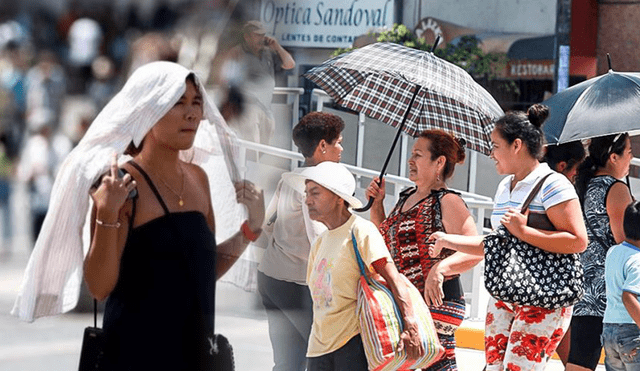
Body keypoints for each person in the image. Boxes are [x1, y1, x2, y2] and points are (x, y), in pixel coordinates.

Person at [12, 62, 265, 371]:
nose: (192, 114)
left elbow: (202, 271)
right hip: (134, 357)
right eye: (177, 103)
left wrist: (250, 229)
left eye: (196, 103)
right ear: (148, 110)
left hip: (195, 357)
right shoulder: (121, 185)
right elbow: (100, 287)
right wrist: (106, 212)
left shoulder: (199, 178)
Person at [428, 104, 588, 371]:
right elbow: (499, 243)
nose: (491, 154)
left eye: (495, 146)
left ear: (516, 145)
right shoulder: (505, 186)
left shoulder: (553, 184)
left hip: (544, 297)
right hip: (505, 293)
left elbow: (577, 241)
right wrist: (448, 240)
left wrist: (524, 231)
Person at [283, 161, 424, 370]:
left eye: (315, 193)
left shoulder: (360, 230)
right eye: (306, 194)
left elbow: (394, 279)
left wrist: (410, 325)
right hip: (317, 349)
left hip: (352, 345)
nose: (307, 200)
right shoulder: (320, 242)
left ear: (338, 198)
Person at [365, 129, 482, 371]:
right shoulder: (406, 196)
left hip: (437, 301)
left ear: (439, 162)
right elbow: (386, 241)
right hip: (408, 298)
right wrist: (377, 205)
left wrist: (440, 269)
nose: (410, 160)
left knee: (427, 363)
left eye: (418, 155)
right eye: (411, 154)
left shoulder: (447, 201)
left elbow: (477, 249)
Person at [258, 111, 344, 371]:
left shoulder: (290, 178)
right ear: (322, 146)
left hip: (272, 278)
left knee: (287, 362)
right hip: (297, 286)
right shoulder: (317, 184)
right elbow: (319, 238)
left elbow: (267, 225)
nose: (341, 149)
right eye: (338, 142)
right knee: (321, 359)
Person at [566, 132, 635, 371]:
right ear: (613, 157)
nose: (632, 157)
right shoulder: (615, 189)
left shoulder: (585, 184)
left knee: (580, 362)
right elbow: (626, 242)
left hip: (584, 290)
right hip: (609, 294)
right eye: (628, 152)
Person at [540, 140, 586, 365]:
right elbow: (578, 241)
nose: (578, 172)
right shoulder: (558, 193)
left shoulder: (526, 184)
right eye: (576, 166)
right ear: (561, 165)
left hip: (529, 288)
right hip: (551, 289)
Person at [221, 20, 295, 145]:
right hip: (248, 106)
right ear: (247, 36)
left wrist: (277, 46)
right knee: (251, 146)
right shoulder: (237, 52)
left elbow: (290, 64)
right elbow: (226, 78)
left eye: (263, 35)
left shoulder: (268, 52)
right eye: (257, 35)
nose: (261, 38)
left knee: (265, 146)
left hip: (266, 106)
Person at [602, 200, 640, 371]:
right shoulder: (638, 259)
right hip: (632, 330)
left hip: (609, 328)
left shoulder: (613, 252)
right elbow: (628, 296)